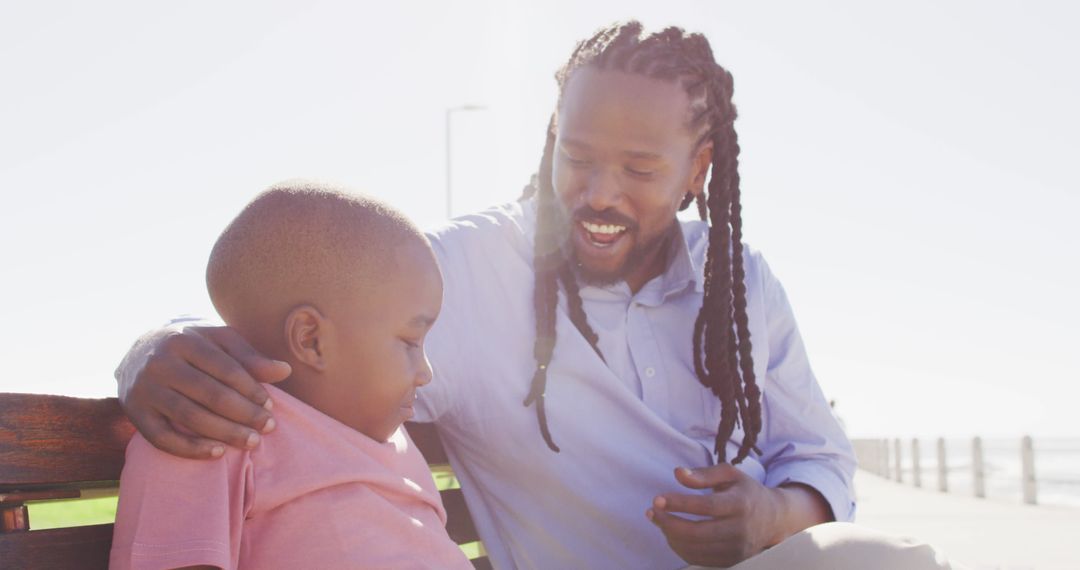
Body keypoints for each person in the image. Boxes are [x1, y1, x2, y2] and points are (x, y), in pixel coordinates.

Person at [115, 22, 960, 569]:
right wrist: (156, 347)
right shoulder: (470, 273)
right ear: (551, 135)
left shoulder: (742, 286)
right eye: (578, 156)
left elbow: (822, 463)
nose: (597, 193)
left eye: (638, 171)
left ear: (698, 171)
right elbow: (310, 308)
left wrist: (771, 517)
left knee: (886, 558)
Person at [109, 185, 472, 570]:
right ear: (311, 340)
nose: (425, 372)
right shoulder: (213, 425)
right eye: (411, 341)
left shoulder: (398, 442)